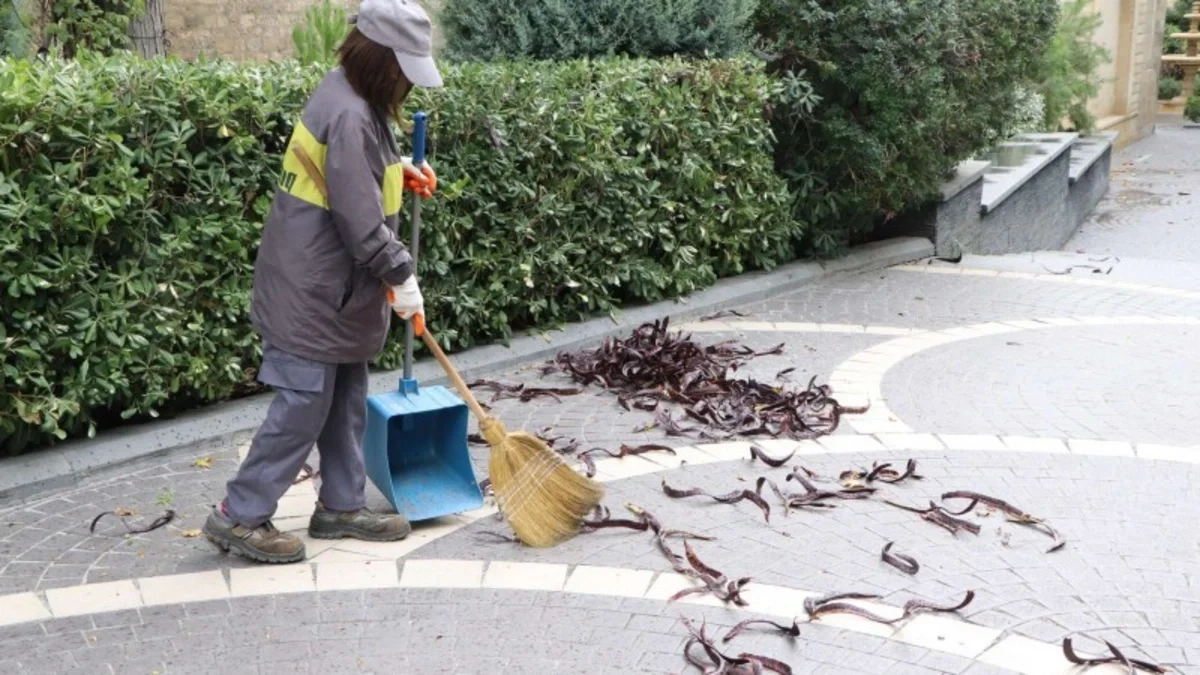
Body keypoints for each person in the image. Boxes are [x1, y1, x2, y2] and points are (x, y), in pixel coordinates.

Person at [202, 0, 442, 564]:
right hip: (314, 291)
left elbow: (347, 172)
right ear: (381, 59)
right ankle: (240, 514)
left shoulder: (345, 92)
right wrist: (402, 276)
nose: (407, 82)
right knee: (303, 405)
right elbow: (361, 227)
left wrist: (395, 168)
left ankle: (340, 505)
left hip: (333, 291)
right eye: (404, 68)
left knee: (346, 400)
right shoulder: (353, 113)